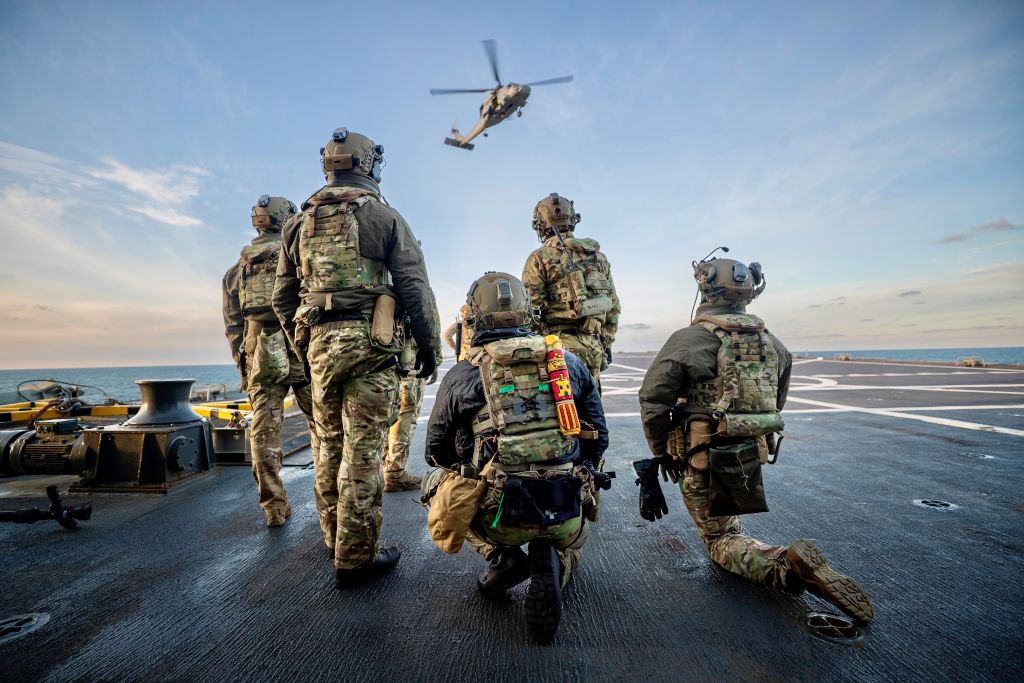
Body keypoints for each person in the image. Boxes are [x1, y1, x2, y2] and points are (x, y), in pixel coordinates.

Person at [637, 252, 874, 623]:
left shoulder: (689, 339)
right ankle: (773, 555)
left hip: (700, 454)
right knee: (729, 524)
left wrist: (662, 451)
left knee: (719, 540)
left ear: (706, 286)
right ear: (750, 292)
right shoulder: (773, 343)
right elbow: (776, 401)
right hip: (748, 451)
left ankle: (786, 566)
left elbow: (653, 399)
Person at [273, 127, 440, 587]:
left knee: (327, 446)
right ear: (369, 165)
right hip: (373, 347)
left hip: (321, 350)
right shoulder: (384, 217)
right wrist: (428, 347)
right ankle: (355, 557)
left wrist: (304, 344)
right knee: (364, 452)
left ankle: (333, 539)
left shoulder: (295, 225)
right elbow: (414, 288)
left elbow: (281, 299)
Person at [422, 272, 610, 643]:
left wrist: (469, 461)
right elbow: (598, 438)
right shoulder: (568, 363)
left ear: (474, 316)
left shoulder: (462, 374)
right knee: (585, 471)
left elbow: (435, 452)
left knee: (434, 485)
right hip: (566, 508)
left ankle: (500, 555)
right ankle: (559, 559)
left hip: (499, 515)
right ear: (528, 311)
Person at [222, 194, 321, 527]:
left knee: (263, 432)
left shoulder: (236, 271)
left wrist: (243, 366)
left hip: (259, 348)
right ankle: (328, 502)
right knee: (321, 426)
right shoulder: (299, 255)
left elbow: (233, 326)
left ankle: (274, 507)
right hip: (300, 344)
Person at [521, 193, 620, 388]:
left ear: (540, 222)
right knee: (591, 411)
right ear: (572, 218)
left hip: (558, 351)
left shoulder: (539, 257)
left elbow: (530, 311)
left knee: (561, 414)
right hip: (594, 347)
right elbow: (613, 306)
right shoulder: (598, 258)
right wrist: (606, 343)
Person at [384, 298, 442, 492]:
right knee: (406, 412)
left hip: (381, 355)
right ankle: (394, 471)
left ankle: (383, 468)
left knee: (383, 412)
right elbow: (429, 317)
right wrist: (434, 354)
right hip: (410, 358)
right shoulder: (411, 282)